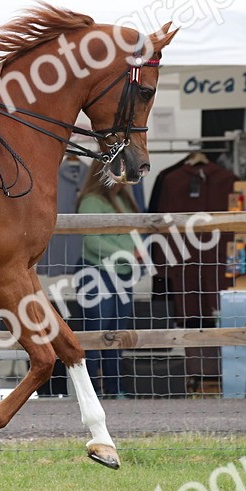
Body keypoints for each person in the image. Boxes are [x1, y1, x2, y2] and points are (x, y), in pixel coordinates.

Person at [76, 160, 140, 397]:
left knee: (117, 336)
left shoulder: (124, 199)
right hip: (96, 273)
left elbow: (134, 233)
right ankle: (92, 391)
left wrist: (136, 253)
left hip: (121, 275)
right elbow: (93, 242)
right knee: (96, 335)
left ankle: (115, 389)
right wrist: (128, 255)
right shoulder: (92, 201)